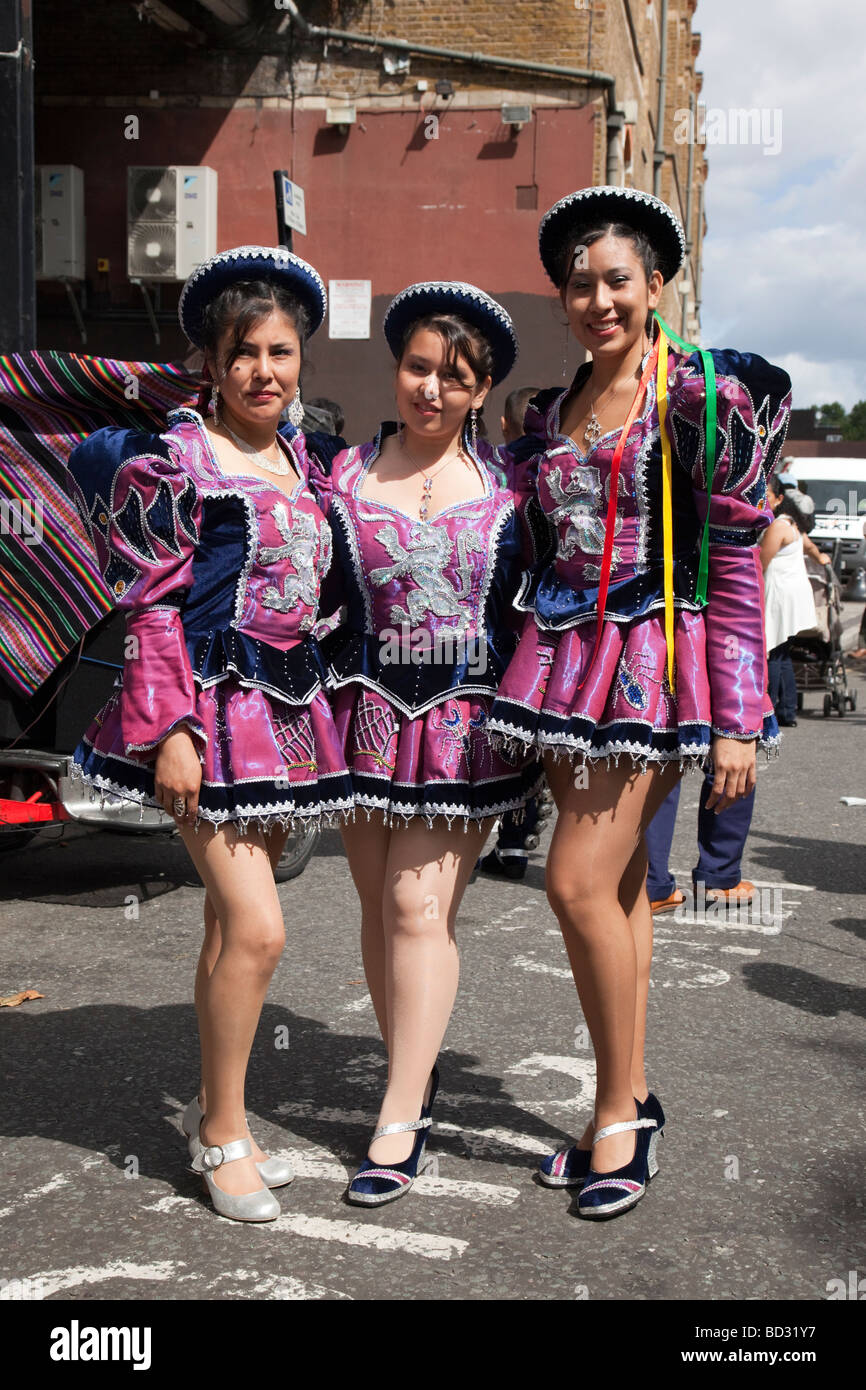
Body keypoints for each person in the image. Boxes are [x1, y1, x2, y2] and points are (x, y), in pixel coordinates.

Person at [488, 186, 792, 1219]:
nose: (596, 299)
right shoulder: (554, 406)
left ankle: (617, 1108)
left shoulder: (699, 395)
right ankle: (623, 1102)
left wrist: (740, 717)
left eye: (616, 280)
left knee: (570, 883)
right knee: (612, 888)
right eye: (578, 284)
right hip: (560, 661)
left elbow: (740, 564)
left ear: (656, 284)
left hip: (652, 665)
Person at [66, 247, 353, 1222]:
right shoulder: (180, 457)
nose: (264, 371)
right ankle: (225, 1133)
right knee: (261, 927)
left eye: (280, 352)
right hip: (204, 712)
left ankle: (210, 1106)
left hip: (282, 713)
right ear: (211, 362)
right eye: (243, 354)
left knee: (228, 925)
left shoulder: (302, 457)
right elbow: (152, 609)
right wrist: (171, 730)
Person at [309, 282, 542, 1205]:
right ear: (395, 367)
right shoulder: (339, 475)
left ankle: (399, 1111)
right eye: (417, 367)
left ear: (482, 390)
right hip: (360, 715)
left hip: (462, 726)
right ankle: (414, 1063)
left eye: (454, 375)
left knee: (416, 912)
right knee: (378, 913)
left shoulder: (513, 491)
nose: (431, 389)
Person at [762, 477, 819, 726]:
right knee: (782, 654)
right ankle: (786, 710)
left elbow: (761, 561)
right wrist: (823, 558)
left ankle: (772, 709)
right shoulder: (793, 525)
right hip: (792, 593)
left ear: (779, 499)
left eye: (767, 496)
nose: (762, 501)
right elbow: (810, 546)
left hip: (779, 593)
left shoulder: (778, 526)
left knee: (774, 651)